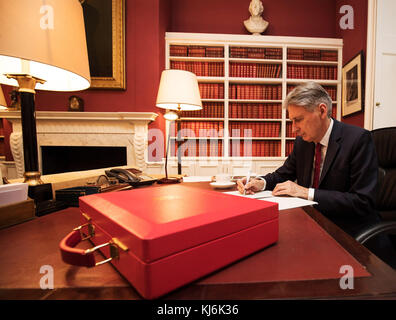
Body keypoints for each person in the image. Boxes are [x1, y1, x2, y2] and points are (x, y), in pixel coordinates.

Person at [237, 81, 380, 236]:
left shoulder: (358, 140)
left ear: (322, 111)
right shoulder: (303, 142)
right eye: (292, 121)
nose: (293, 129)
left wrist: (306, 192)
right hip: (310, 223)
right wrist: (260, 183)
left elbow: (362, 202)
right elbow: (283, 175)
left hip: (347, 231)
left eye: (298, 119)